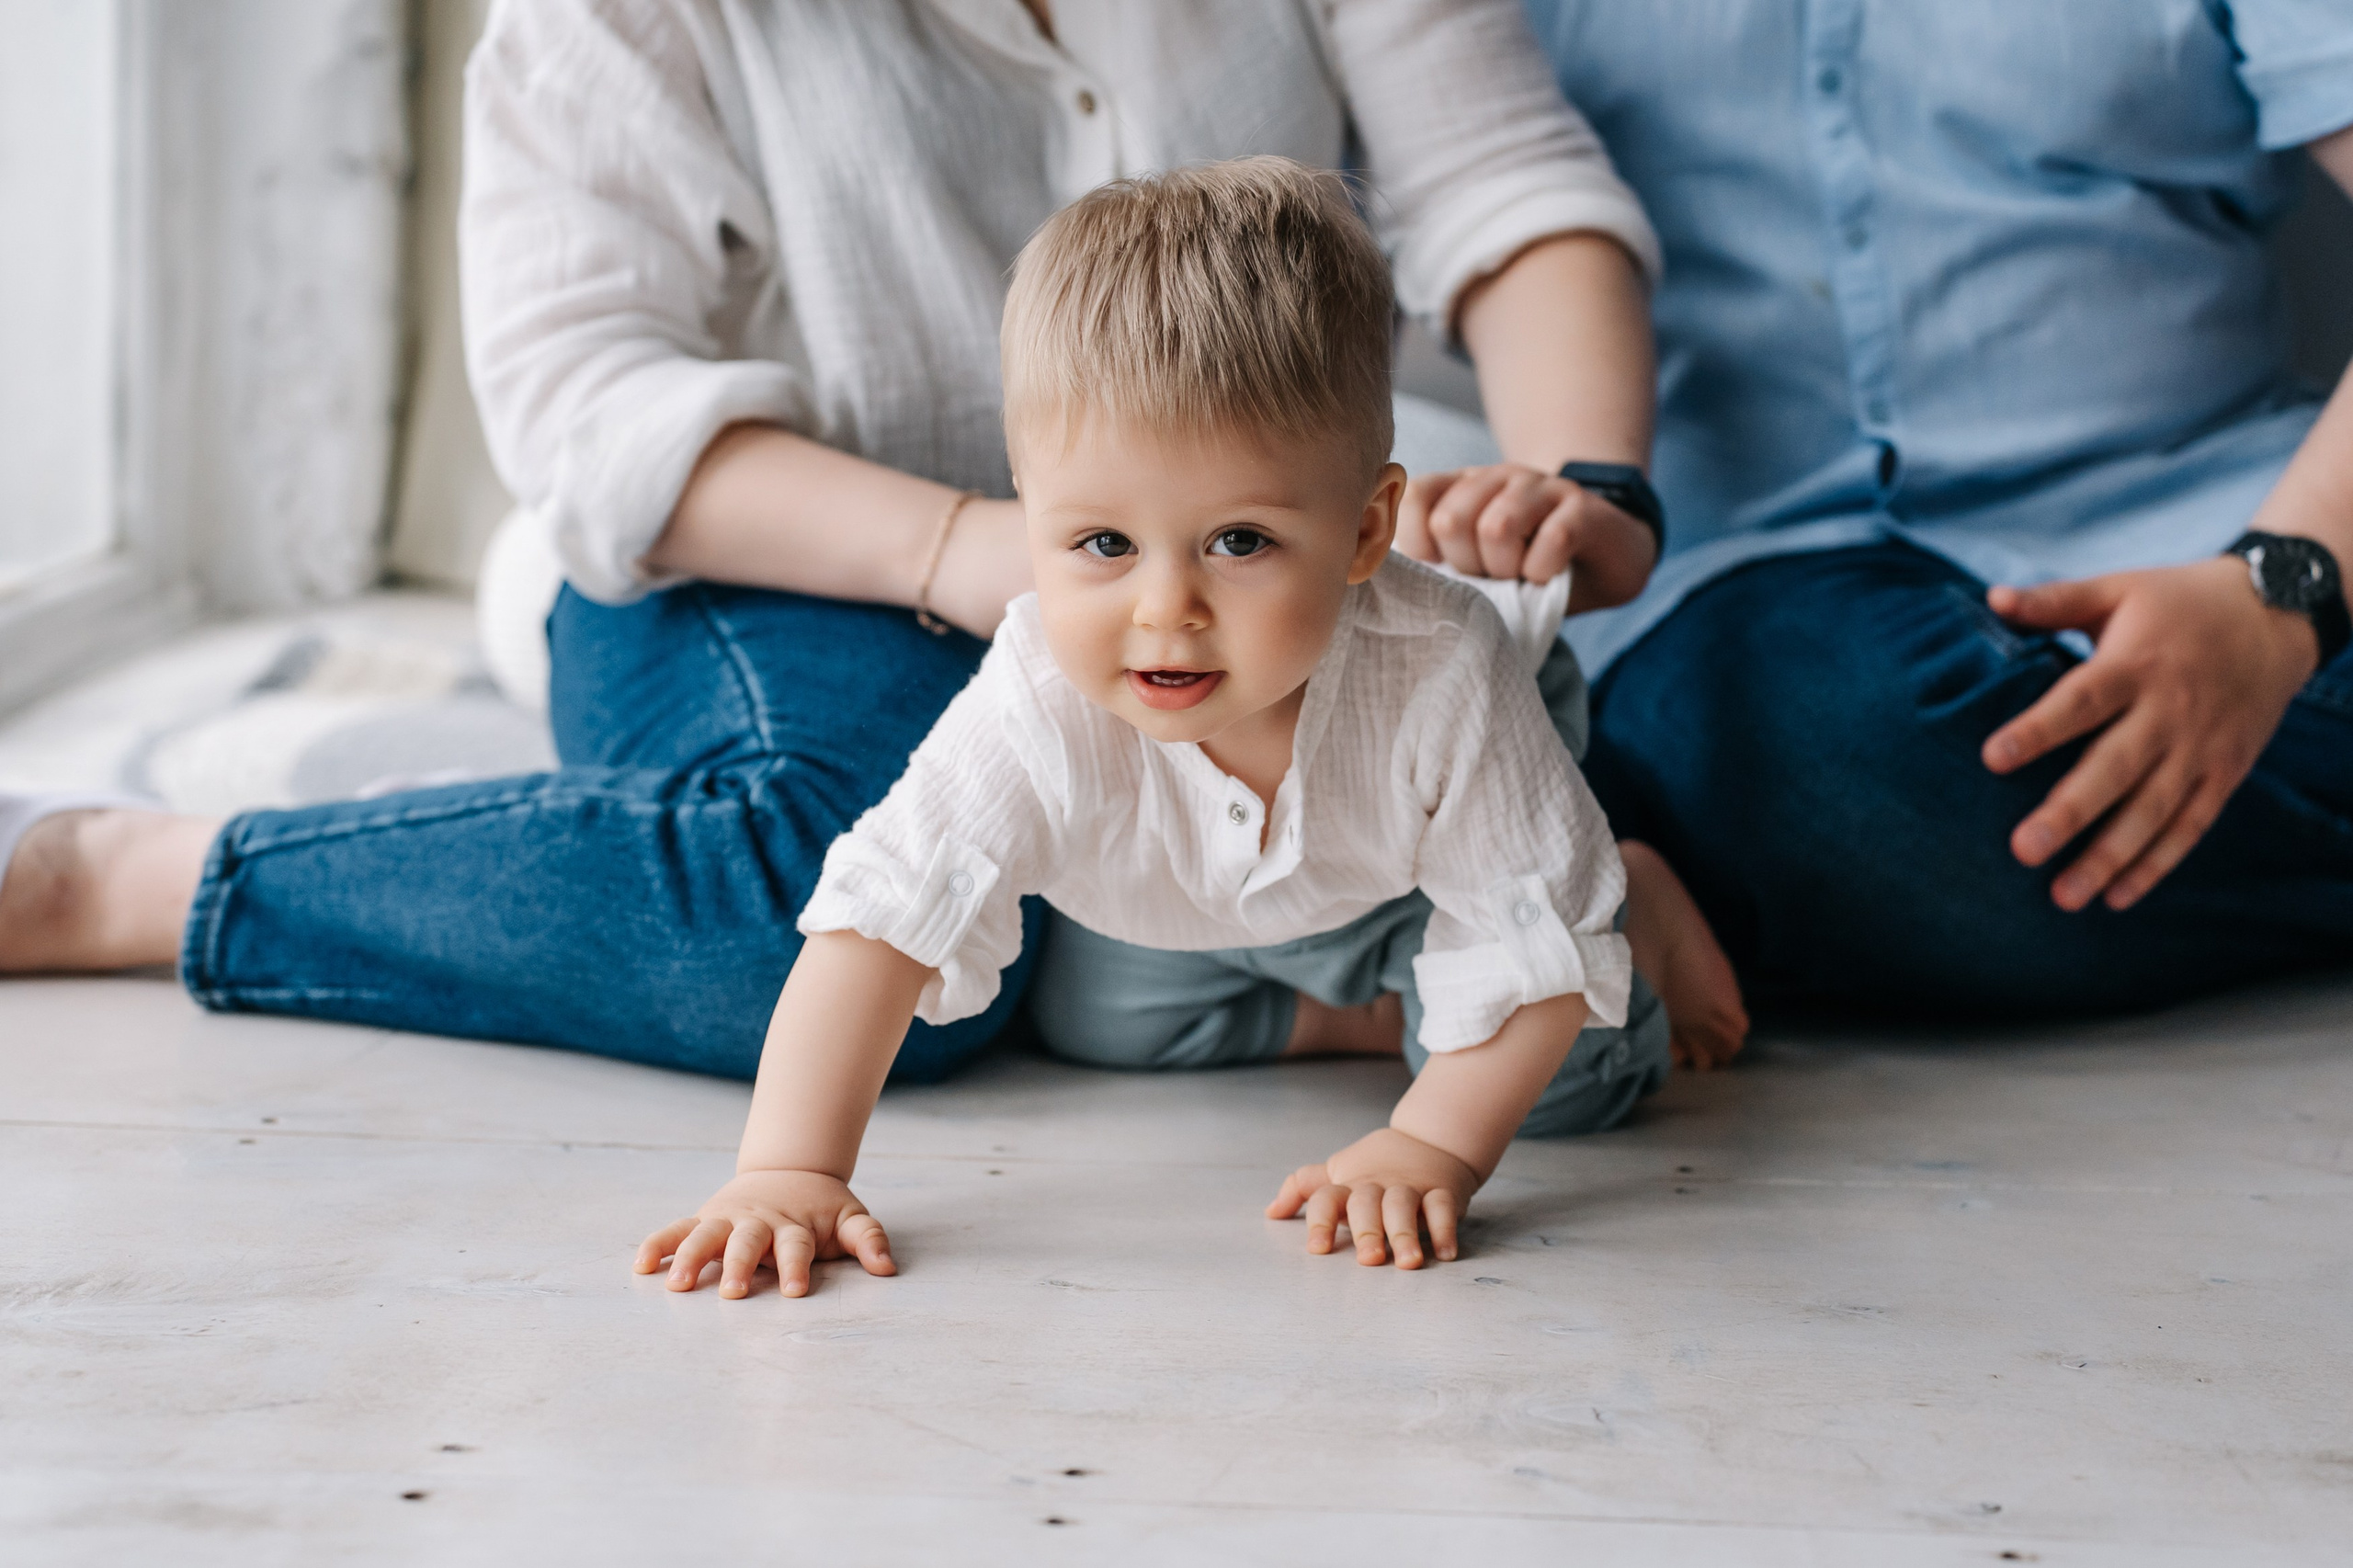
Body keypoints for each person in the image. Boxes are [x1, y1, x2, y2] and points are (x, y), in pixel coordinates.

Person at [0, 4, 1729, 1088]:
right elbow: (592, 406)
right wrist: (997, 556)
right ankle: (143, 874)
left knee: (1472, 787)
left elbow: (1505, 187)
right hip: (758, 557)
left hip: (1187, 563)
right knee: (864, 937)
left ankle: (1541, 895)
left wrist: (1588, 488)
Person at [638, 159, 1647, 1299]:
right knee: (1091, 1012)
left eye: (1239, 542)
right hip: (1220, 892)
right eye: (1104, 545)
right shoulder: (1037, 685)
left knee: (1577, 1068)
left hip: (1410, 860)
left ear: (1367, 529)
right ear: (1031, 514)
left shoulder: (1446, 665)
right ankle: (1361, 1008)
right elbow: (882, 915)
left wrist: (1430, 1146)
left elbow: (1529, 962)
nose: (1165, 609)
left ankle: (1624, 879)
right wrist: (786, 1170)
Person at [1396, 2, 2353, 1018]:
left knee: (1838, 802)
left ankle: (1721, 908)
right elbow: (1485, 185)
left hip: (2221, 539)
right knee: (1812, 743)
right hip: (1764, 600)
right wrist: (1580, 483)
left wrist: (2278, 589)